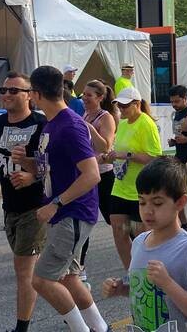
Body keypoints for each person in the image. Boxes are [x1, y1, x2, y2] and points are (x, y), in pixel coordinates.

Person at [10, 65, 108, 332]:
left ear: (36, 94)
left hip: (72, 213)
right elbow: (49, 169)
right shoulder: (51, 125)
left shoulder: (70, 125)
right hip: (65, 213)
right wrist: (26, 162)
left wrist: (55, 204)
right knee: (69, 278)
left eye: (28, 92)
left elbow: (92, 175)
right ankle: (101, 328)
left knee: (41, 280)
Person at [102, 157, 187, 332]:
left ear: (180, 202)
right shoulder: (139, 243)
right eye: (142, 202)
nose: (147, 210)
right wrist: (122, 289)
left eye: (157, 203)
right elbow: (146, 292)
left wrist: (167, 283)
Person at [0, 72, 47, 332]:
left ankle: (21, 328)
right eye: (3, 90)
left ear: (29, 95)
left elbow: (57, 164)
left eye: (14, 91)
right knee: (44, 270)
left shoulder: (42, 124)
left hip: (37, 206)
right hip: (10, 207)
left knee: (24, 270)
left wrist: (33, 176)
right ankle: (79, 306)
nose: (6, 95)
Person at [104, 87, 162, 272]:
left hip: (140, 189)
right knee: (118, 230)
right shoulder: (123, 123)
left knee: (141, 236)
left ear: (137, 104)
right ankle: (131, 272)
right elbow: (118, 151)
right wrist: (110, 156)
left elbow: (154, 157)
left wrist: (127, 155)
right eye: (119, 105)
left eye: (125, 106)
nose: (121, 109)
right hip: (120, 186)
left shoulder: (146, 123)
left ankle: (148, 273)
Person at [79, 79, 118, 281]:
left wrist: (90, 129)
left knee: (116, 220)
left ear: (100, 98)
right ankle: (80, 266)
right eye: (83, 95)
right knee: (83, 220)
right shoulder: (85, 114)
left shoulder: (106, 117)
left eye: (89, 95)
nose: (84, 98)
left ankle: (143, 250)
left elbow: (105, 147)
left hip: (103, 175)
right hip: (86, 175)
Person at [168, 84, 187, 232]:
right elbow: (179, 134)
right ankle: (184, 223)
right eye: (172, 101)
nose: (174, 104)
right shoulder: (176, 114)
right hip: (180, 156)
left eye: (177, 101)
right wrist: (174, 141)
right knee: (177, 191)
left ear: (185, 98)